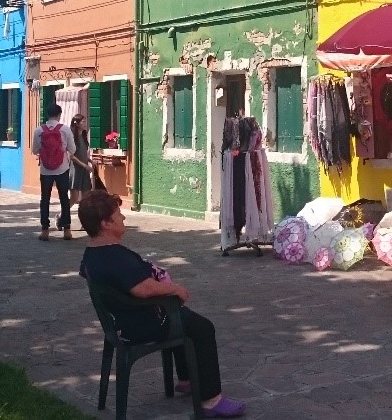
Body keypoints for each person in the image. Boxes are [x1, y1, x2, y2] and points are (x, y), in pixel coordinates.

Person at [78, 191, 246, 418]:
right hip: (141, 324)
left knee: (182, 316)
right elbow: (142, 288)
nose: (123, 218)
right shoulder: (114, 258)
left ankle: (187, 379)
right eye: (118, 215)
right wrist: (173, 289)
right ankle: (211, 400)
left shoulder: (92, 255)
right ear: (106, 223)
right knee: (202, 328)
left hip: (122, 321)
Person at [33, 102, 76, 241]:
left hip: (45, 169)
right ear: (59, 115)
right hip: (62, 168)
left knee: (45, 199)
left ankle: (45, 230)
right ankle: (67, 229)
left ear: (47, 114)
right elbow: (73, 149)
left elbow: (34, 150)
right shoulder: (65, 129)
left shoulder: (39, 130)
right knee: (64, 198)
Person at [70, 114, 95, 208]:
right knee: (74, 198)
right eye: (83, 122)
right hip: (75, 170)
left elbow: (82, 154)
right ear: (77, 124)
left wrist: (90, 161)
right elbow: (71, 156)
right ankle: (62, 215)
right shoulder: (73, 137)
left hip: (84, 170)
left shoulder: (83, 137)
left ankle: (85, 217)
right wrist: (85, 165)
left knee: (86, 198)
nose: (85, 124)